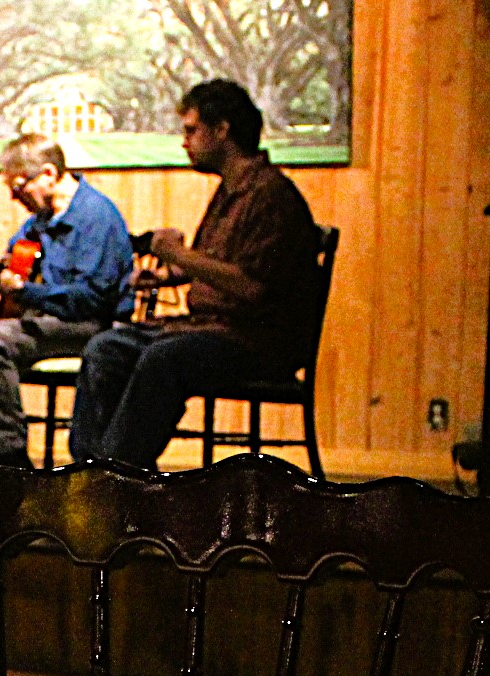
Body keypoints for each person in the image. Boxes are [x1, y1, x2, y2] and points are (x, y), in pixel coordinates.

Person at [70, 79, 320, 470]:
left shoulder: (271, 195)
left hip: (257, 339)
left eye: (191, 130)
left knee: (164, 357)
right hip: (211, 328)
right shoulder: (229, 191)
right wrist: (168, 274)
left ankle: (119, 478)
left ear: (222, 130)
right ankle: (89, 473)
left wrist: (179, 255)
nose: (184, 142)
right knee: (106, 348)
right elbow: (217, 267)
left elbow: (252, 287)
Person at [0, 134, 134, 468]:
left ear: (50, 174)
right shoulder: (41, 219)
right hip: (50, 321)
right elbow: (15, 255)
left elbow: (91, 300)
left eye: (20, 184)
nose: (13, 195)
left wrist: (25, 292)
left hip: (93, 326)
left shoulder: (96, 217)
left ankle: (9, 461)